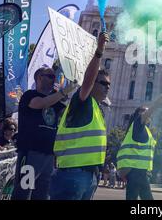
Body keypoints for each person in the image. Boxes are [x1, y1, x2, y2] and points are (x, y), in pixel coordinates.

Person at [50, 32, 110, 200]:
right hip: (72, 174)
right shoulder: (82, 100)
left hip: (89, 176)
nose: (108, 87)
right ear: (93, 84)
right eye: (104, 83)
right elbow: (87, 81)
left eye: (109, 84)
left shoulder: (97, 109)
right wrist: (99, 51)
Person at [11, 67, 76, 200]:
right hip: (31, 153)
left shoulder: (56, 101)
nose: (55, 80)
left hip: (49, 155)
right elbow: (41, 103)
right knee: (24, 191)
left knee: (43, 194)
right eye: (51, 77)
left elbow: (68, 114)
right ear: (39, 77)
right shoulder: (29, 95)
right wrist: (63, 92)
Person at [116, 80, 162, 200]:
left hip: (139, 173)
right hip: (136, 173)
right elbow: (154, 107)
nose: (148, 115)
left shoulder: (144, 131)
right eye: (144, 112)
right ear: (138, 115)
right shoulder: (138, 125)